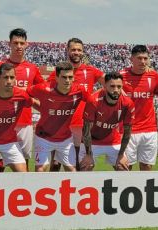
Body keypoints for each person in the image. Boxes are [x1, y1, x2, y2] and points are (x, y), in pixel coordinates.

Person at [0, 28, 44, 172]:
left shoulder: (32, 68)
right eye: (15, 43)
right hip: (1, 122)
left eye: (21, 43)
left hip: (24, 121)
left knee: (23, 162)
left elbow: (42, 89)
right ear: (9, 44)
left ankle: (24, 193)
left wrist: (27, 92)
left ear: (26, 44)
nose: (18, 46)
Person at [47, 38, 104, 171]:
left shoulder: (91, 70)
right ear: (67, 51)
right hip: (61, 125)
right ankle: (51, 191)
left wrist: (94, 96)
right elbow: (47, 91)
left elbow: (109, 83)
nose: (76, 52)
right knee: (55, 166)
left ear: (83, 52)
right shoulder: (59, 72)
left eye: (79, 50)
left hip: (82, 125)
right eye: (73, 49)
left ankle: (77, 191)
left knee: (79, 165)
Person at [27, 61, 90, 172]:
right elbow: (25, 94)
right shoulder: (43, 88)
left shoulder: (79, 91)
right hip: (44, 137)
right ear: (56, 78)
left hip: (65, 139)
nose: (67, 81)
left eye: (70, 77)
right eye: (64, 77)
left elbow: (94, 101)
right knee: (40, 170)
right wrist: (41, 107)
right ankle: (42, 189)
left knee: (72, 171)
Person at [80, 72, 134, 171]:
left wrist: (121, 155)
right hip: (92, 141)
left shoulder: (127, 103)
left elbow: (127, 132)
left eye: (119, 87)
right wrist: (88, 154)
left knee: (123, 168)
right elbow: (86, 130)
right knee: (85, 167)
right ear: (105, 86)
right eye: (112, 86)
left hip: (113, 141)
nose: (116, 90)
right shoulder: (93, 100)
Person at [120, 45, 158, 171]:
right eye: (139, 58)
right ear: (131, 59)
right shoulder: (121, 76)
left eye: (145, 58)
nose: (143, 62)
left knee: (146, 166)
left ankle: (146, 191)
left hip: (149, 129)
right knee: (125, 167)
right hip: (128, 130)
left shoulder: (154, 76)